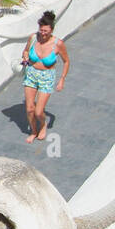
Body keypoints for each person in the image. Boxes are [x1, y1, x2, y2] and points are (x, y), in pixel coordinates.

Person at [20, 10, 69, 142]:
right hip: (31, 74)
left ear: (51, 30)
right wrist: (25, 57)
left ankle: (43, 125)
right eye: (41, 30)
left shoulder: (58, 44)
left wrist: (62, 79)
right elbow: (25, 51)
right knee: (30, 109)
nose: (43, 33)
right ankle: (34, 131)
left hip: (47, 77)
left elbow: (66, 61)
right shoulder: (33, 38)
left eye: (46, 31)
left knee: (38, 112)